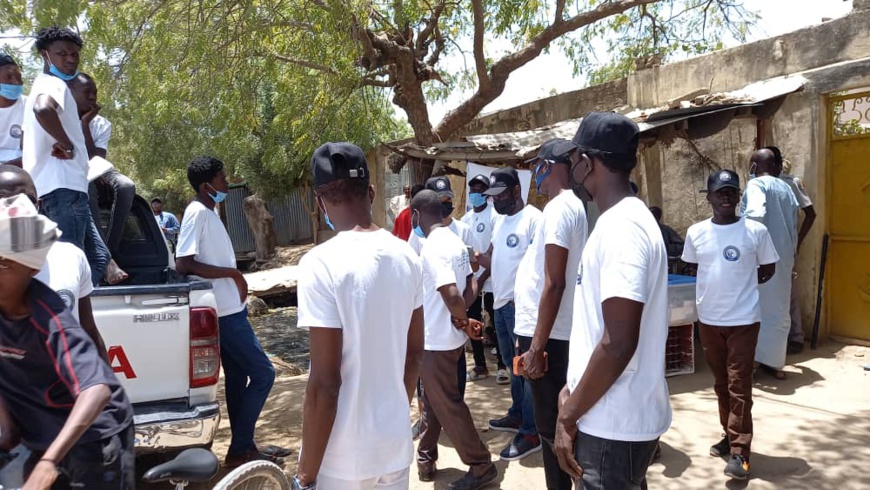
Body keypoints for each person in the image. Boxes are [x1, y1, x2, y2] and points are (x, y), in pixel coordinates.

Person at [294, 142, 424, 490]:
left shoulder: (320, 264)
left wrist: (305, 475)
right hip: (394, 447)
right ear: (370, 192)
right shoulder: (408, 257)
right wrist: (391, 414)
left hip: (342, 459)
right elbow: (413, 356)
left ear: (320, 202)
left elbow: (325, 385)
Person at [554, 112, 671, 489]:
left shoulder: (623, 228)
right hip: (607, 414)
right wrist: (573, 386)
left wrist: (568, 416)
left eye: (574, 160)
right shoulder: (619, 221)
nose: (571, 168)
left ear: (588, 162)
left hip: (611, 425)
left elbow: (619, 342)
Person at [0, 193, 134, 489]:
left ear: (31, 269)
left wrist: (49, 462)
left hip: (93, 437)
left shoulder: (49, 320)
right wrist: (7, 427)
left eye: (2, 265)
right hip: (43, 431)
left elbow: (96, 391)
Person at [175, 156, 288, 467]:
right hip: (223, 313)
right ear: (206, 186)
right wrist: (234, 275)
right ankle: (240, 449)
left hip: (228, 309)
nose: (227, 183)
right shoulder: (196, 213)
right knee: (264, 374)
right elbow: (184, 263)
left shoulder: (210, 212)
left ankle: (244, 446)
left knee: (238, 378)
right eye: (222, 180)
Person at [682, 169, 779, 481]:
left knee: (739, 386)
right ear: (708, 197)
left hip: (744, 322)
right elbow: (694, 267)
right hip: (709, 321)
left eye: (731, 192)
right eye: (720, 192)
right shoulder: (696, 232)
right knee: (722, 384)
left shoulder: (756, 231)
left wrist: (742, 291)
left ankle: (741, 454)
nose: (726, 197)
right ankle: (729, 435)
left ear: (739, 197)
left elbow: (768, 268)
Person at [412, 189, 498, 490]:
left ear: (418, 215)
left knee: (447, 404)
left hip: (436, 339)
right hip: (448, 338)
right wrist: (462, 323)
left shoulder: (433, 246)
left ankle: (481, 465)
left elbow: (450, 293)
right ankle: (425, 456)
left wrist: (461, 321)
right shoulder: (456, 242)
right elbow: (469, 287)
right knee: (434, 400)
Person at [516, 138, 588, 490]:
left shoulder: (560, 208)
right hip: (550, 333)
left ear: (549, 165)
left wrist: (536, 347)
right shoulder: (564, 207)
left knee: (551, 429)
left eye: (537, 167)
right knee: (554, 425)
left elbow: (555, 283)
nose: (535, 175)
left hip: (550, 336)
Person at [23, 27, 110, 286]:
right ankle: (63, 319)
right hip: (63, 190)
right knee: (69, 267)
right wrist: (67, 144)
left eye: (74, 54)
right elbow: (43, 109)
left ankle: (75, 313)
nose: (70, 59)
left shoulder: (44, 85)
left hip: (63, 189)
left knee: (97, 260)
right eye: (62, 54)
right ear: (45, 55)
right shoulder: (53, 84)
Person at [0, 164, 108, 362]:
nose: (18, 207)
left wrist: (112, 387)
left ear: (38, 206)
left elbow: (88, 329)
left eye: (27, 200)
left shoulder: (71, 256)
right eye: (6, 199)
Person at [477, 167, 543, 461]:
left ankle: (531, 431)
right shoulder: (501, 222)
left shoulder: (534, 220)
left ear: (516, 191)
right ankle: (517, 414)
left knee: (526, 370)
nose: (494, 201)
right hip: (501, 305)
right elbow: (493, 257)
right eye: (491, 196)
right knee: (511, 365)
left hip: (522, 308)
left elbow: (543, 268)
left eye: (499, 195)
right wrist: (477, 268)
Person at [740, 148, 799, 380]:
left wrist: (747, 250)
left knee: (755, 310)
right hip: (784, 257)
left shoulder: (756, 185)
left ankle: (753, 362)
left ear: (754, 166)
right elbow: (794, 225)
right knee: (779, 311)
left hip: (760, 258)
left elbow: (755, 216)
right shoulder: (786, 187)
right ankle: (775, 363)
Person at [70, 72, 130, 285]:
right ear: (71, 93)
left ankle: (107, 251)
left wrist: (85, 125)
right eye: (87, 92)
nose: (93, 97)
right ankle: (106, 260)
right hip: (73, 171)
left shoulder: (102, 123)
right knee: (87, 187)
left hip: (98, 168)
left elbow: (96, 159)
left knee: (126, 186)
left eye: (95, 92)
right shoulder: (61, 119)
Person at [461, 174, 508, 384]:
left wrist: (482, 277)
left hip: (491, 281)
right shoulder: (465, 220)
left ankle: (502, 366)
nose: (475, 194)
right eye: (472, 191)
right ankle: (480, 365)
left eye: (480, 190)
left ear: (487, 194)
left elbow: (495, 251)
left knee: (496, 324)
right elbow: (465, 251)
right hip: (472, 281)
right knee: (474, 323)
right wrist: (473, 278)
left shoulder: (495, 215)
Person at [770, 148, 816, 354]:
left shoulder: (791, 183)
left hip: (785, 246)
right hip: (766, 246)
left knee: (788, 291)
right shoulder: (759, 183)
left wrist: (798, 241)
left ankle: (796, 336)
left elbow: (811, 214)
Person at [409, 176, 473, 255]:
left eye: (448, 199)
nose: (445, 204)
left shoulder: (463, 230)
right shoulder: (419, 233)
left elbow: (473, 264)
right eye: (439, 200)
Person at [0, 54, 24, 168]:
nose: (17, 82)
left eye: (18, 76)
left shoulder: (30, 107)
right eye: (8, 77)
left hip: (22, 169)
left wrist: (5, 166)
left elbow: (34, 152)